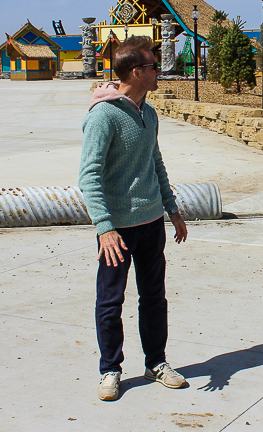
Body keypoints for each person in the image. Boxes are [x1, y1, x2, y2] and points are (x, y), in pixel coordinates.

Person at [79, 35, 189, 401]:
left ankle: (155, 362)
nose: (160, 71)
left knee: (154, 297)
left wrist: (172, 209)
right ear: (137, 72)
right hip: (117, 231)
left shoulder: (149, 113)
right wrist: (104, 228)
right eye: (154, 66)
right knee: (111, 301)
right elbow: (89, 176)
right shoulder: (104, 115)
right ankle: (110, 370)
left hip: (151, 222)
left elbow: (155, 163)